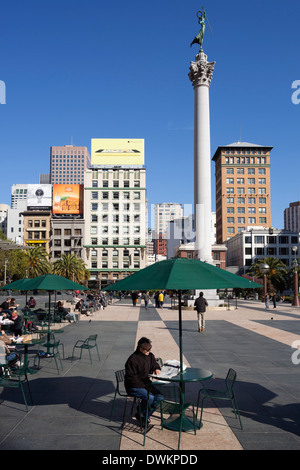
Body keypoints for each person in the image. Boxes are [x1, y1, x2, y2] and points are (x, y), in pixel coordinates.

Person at [125, 337, 164, 428]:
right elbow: (132, 380)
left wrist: (156, 368)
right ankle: (144, 416)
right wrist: (145, 387)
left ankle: (143, 415)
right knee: (150, 397)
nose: (149, 351)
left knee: (160, 397)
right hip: (133, 386)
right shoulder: (132, 360)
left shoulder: (150, 355)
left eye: (150, 348)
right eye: (147, 349)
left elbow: (154, 364)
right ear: (140, 349)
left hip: (145, 384)